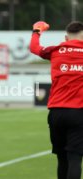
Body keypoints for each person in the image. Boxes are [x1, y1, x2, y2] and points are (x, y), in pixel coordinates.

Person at [30, 21, 83, 179]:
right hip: (79, 113)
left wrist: (37, 31)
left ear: (66, 38)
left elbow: (34, 48)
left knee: (62, 159)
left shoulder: (56, 50)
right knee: (75, 159)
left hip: (56, 112)